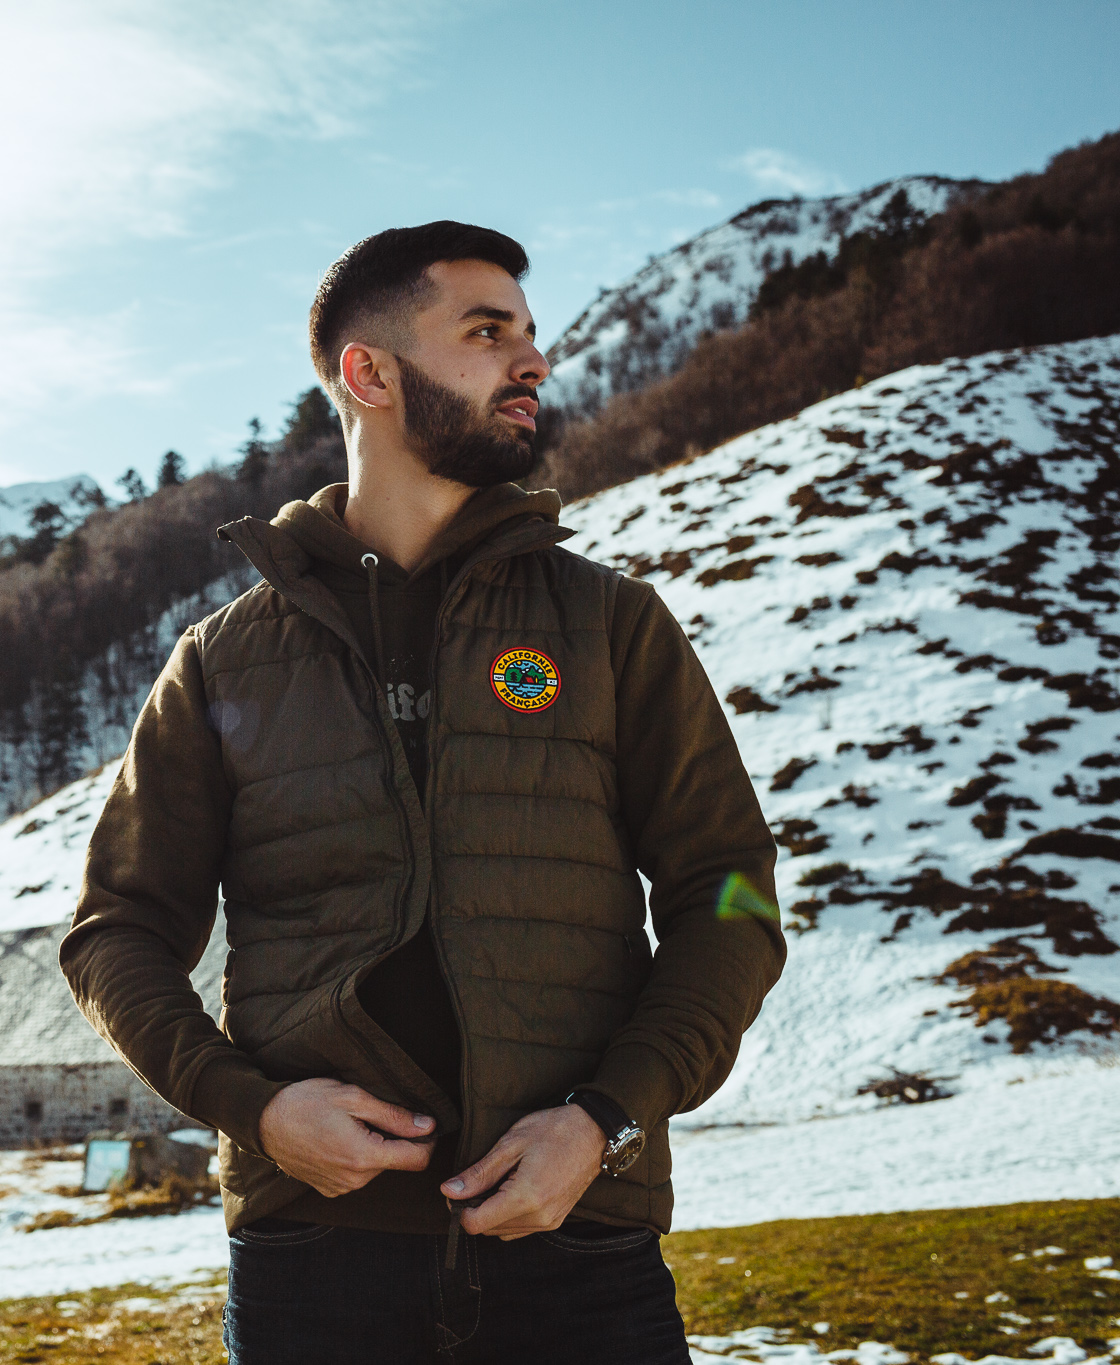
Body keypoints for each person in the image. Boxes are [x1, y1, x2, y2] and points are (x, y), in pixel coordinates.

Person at [60, 221, 785, 1363]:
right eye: (487, 333)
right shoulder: (221, 662)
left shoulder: (608, 625)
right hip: (315, 1266)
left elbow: (731, 894)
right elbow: (116, 933)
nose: (533, 362)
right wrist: (256, 1110)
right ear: (370, 373)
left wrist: (605, 1120)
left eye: (529, 334)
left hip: (580, 1245)